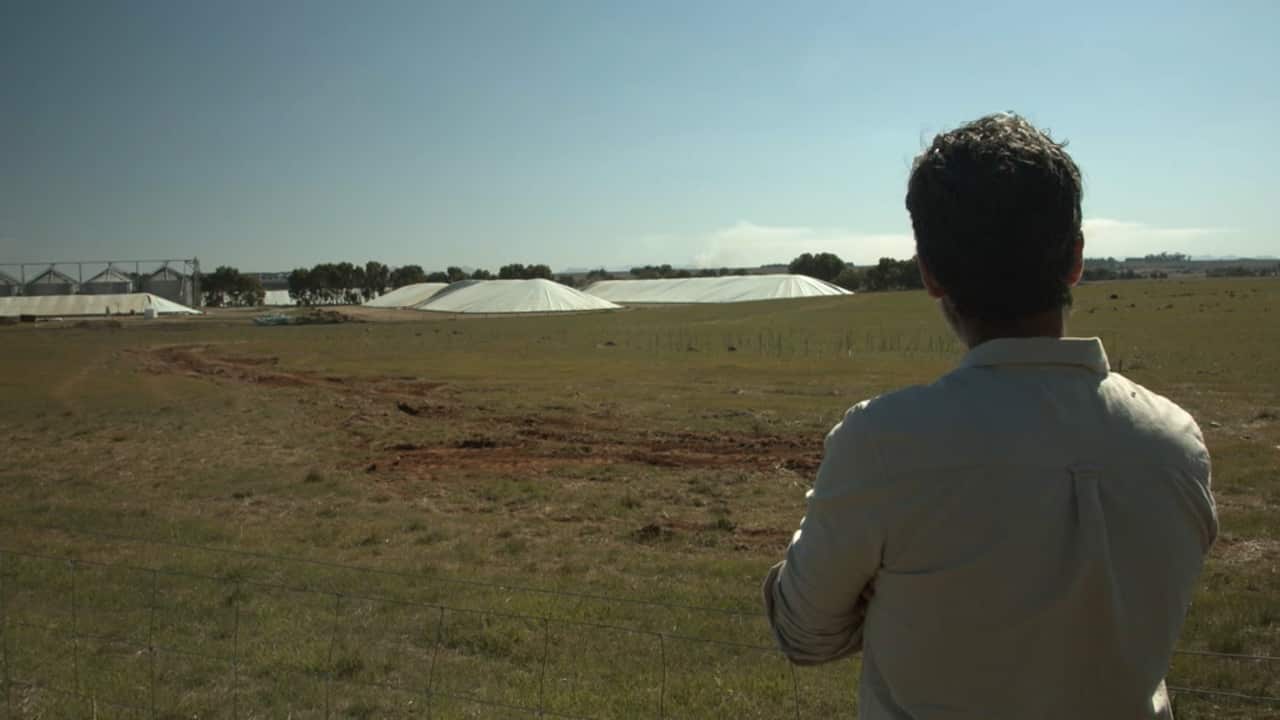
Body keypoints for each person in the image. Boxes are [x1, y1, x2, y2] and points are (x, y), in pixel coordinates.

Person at [762, 113, 1217, 719]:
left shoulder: (882, 445)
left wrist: (881, 590)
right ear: (1076, 259)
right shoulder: (1176, 443)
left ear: (930, 273)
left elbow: (802, 633)